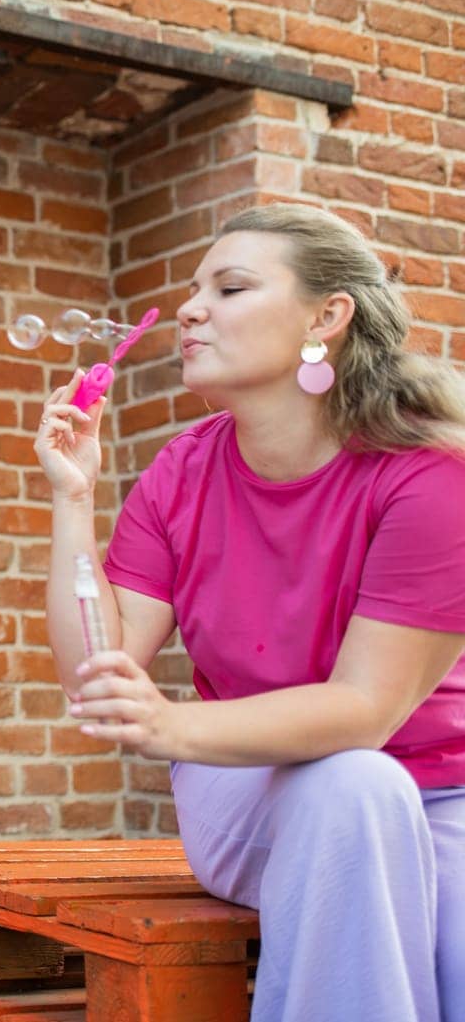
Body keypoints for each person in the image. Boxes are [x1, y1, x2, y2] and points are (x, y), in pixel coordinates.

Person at [36, 203, 465, 1022]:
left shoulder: (432, 473)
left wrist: (166, 727)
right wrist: (73, 498)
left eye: (229, 287)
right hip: (246, 780)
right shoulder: (182, 471)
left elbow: (365, 706)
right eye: (194, 289)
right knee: (355, 786)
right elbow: (101, 663)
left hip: (444, 791)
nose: (192, 307)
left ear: (326, 317)